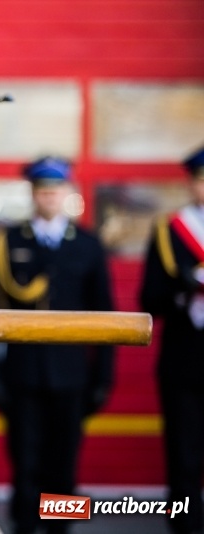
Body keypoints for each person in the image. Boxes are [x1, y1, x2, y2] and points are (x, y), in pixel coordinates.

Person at [0, 156, 115, 534]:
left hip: (72, 376)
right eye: (42, 190)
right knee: (25, 462)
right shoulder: (8, 241)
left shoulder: (87, 244)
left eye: (56, 190)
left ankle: (60, 528)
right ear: (33, 194)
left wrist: (103, 378)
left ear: (67, 192)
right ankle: (24, 526)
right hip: (22, 375)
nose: (49, 196)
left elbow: (107, 316)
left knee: (64, 464)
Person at [139, 145, 204, 534]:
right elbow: (149, 299)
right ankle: (185, 526)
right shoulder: (171, 230)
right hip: (185, 355)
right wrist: (185, 287)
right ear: (192, 184)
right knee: (183, 452)